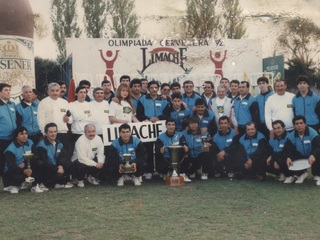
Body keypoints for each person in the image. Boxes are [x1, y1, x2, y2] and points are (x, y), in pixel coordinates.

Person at [137, 80, 169, 179]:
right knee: (148, 150)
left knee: (160, 150)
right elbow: (139, 114)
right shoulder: (142, 99)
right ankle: (149, 171)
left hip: (160, 129)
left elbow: (167, 114)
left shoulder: (163, 100)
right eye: (151, 88)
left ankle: (161, 171)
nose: (154, 89)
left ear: (158, 89)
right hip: (147, 129)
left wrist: (158, 118)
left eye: (156, 88)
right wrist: (148, 118)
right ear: (148, 89)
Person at [37, 82, 73, 159]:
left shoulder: (64, 102)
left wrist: (68, 119)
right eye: (52, 90)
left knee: (64, 155)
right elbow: (40, 119)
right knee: (51, 156)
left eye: (57, 90)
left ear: (60, 91)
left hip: (62, 133)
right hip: (49, 134)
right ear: (48, 92)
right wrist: (44, 132)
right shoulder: (43, 102)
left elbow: (71, 119)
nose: (55, 93)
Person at [3, 127, 43, 194]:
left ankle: (35, 186)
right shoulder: (10, 149)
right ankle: (12, 185)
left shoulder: (30, 142)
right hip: (14, 170)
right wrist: (23, 171)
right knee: (15, 174)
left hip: (25, 166)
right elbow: (11, 167)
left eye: (26, 133)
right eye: (21, 134)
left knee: (39, 163)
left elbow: (36, 156)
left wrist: (25, 163)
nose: (24, 136)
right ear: (16, 136)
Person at [283, 116, 320, 185]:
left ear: (305, 124)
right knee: (286, 158)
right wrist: (288, 157)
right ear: (294, 126)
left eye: (301, 123)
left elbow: (318, 146)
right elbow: (287, 149)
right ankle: (301, 174)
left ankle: (318, 175)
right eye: (296, 124)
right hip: (300, 156)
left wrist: (313, 154)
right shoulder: (291, 136)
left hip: (311, 155)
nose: (299, 125)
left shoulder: (313, 133)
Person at [36, 123, 73, 189]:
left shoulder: (59, 143)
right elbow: (45, 162)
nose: (53, 134)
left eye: (55, 131)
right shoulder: (41, 145)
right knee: (58, 176)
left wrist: (60, 165)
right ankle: (45, 183)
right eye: (50, 132)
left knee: (69, 163)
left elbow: (63, 156)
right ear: (46, 133)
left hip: (57, 167)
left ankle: (58, 183)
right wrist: (56, 169)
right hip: (48, 168)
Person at [0, 83, 17, 176]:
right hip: (1, 138)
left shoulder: (12, 104)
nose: (8, 92)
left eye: (9, 90)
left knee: (10, 161)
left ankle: (10, 182)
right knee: (1, 161)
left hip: (12, 138)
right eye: (6, 90)